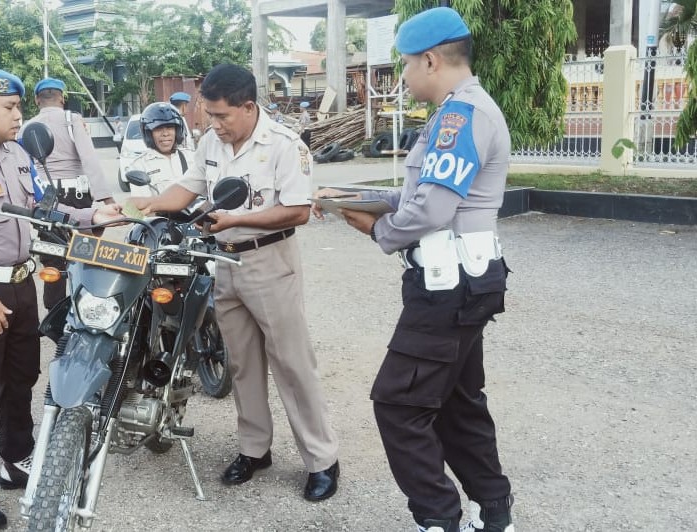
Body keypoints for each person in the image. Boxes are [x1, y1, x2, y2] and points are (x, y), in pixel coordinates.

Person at [313, 7, 515, 532]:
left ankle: (439, 519)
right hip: (467, 280)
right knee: (457, 403)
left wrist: (377, 230)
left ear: (430, 60)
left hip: (447, 287)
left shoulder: (458, 116)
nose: (401, 78)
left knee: (399, 405)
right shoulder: (466, 109)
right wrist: (349, 196)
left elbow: (430, 211)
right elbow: (418, 193)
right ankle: (493, 513)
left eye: (404, 66)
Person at [0, 66, 120, 531]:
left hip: (21, 285)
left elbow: (43, 207)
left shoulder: (17, 153)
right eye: (10, 107)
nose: (18, 116)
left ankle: (15, 459)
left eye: (18, 107)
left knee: (22, 377)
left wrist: (93, 214)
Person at [131, 64, 340, 502]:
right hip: (225, 261)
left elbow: (298, 210)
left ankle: (321, 460)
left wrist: (238, 218)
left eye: (221, 115)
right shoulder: (212, 142)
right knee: (242, 362)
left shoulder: (285, 145)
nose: (214, 123)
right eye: (209, 114)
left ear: (248, 107)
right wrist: (144, 205)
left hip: (270, 261)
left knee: (292, 364)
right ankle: (254, 449)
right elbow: (185, 190)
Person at [27, 77, 118, 310]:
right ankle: (86, 307)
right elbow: (89, 159)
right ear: (62, 98)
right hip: (77, 197)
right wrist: (106, 198)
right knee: (85, 255)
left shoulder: (28, 125)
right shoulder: (72, 119)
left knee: (54, 256)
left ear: (37, 100)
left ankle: (55, 311)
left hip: (46, 198)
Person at [125, 102, 194, 196]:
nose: (165, 134)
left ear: (177, 131)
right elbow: (142, 204)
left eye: (170, 128)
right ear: (149, 134)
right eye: (158, 128)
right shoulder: (140, 165)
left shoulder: (192, 158)